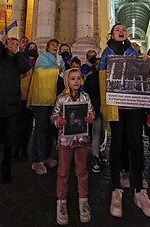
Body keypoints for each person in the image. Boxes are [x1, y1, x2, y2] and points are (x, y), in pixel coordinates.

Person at [100, 23, 150, 218]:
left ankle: (139, 189)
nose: (121, 31)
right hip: (117, 108)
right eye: (117, 29)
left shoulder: (133, 52)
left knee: (136, 143)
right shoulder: (106, 52)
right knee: (116, 144)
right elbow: (101, 78)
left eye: (123, 29)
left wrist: (146, 61)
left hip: (133, 106)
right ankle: (116, 188)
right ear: (112, 34)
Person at [0, 36, 31, 185]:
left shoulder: (18, 59)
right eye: (11, 43)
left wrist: (18, 53)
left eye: (16, 44)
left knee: (10, 141)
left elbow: (25, 68)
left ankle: (6, 170)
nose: (13, 46)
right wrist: (0, 45)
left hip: (12, 105)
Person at [51, 68, 95, 225]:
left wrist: (91, 117)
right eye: (73, 78)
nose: (76, 81)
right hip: (65, 141)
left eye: (78, 78)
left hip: (81, 140)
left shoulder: (86, 97)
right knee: (63, 171)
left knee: (82, 170)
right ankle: (61, 201)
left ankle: (83, 200)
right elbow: (53, 115)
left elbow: (91, 112)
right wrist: (58, 121)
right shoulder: (61, 98)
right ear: (66, 81)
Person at [27, 39, 64, 175]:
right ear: (47, 47)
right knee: (40, 128)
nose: (55, 47)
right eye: (53, 45)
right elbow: (40, 74)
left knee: (50, 128)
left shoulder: (59, 59)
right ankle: (37, 160)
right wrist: (56, 71)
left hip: (54, 98)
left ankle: (47, 155)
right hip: (41, 98)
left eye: (57, 45)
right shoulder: (42, 58)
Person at [13, 41, 37, 161]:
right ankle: (16, 149)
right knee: (19, 125)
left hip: (32, 98)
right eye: (30, 47)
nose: (32, 49)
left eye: (34, 48)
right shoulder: (22, 61)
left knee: (28, 126)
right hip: (21, 97)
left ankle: (24, 149)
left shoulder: (38, 62)